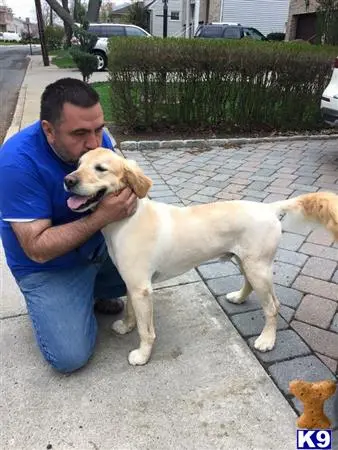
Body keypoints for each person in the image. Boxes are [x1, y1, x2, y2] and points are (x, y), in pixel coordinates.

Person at [0, 78, 137, 373]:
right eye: (79, 133)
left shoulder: (97, 144)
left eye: (99, 129)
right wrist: (101, 217)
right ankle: (61, 299)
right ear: (49, 130)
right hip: (49, 267)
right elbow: (36, 248)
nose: (94, 143)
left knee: (154, 267)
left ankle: (92, 290)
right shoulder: (16, 162)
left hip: (96, 249)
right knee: (69, 356)